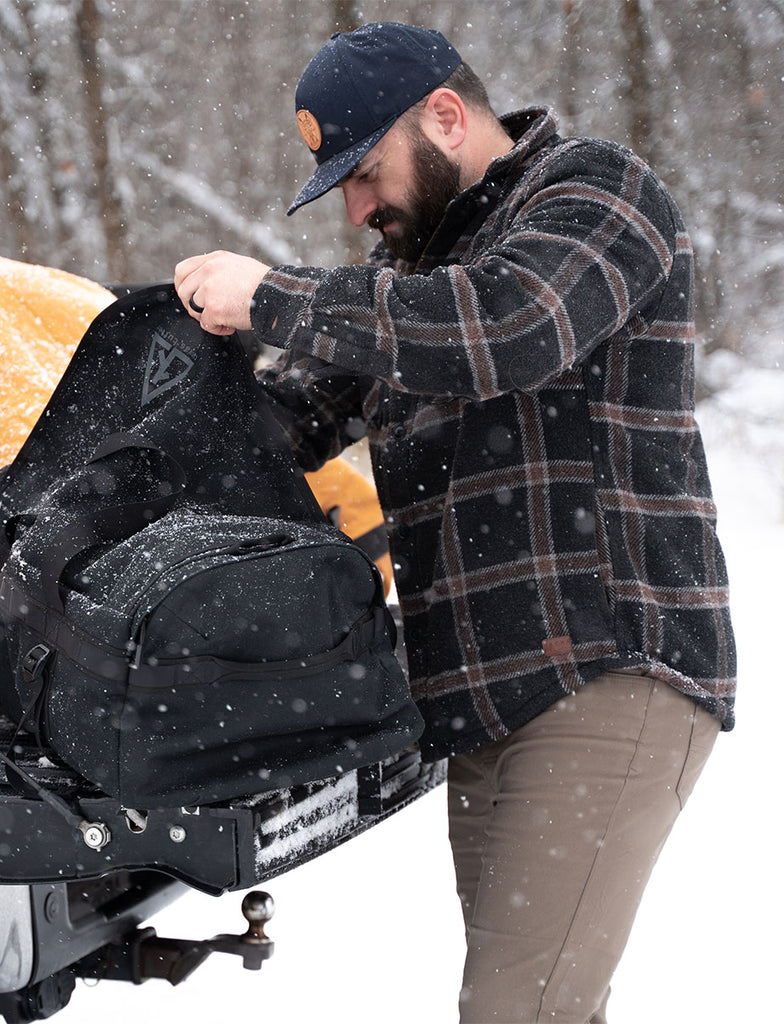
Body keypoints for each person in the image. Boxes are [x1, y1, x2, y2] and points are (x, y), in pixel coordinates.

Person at [174, 22, 736, 1023]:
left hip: (608, 673)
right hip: (484, 703)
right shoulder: (412, 287)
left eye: (364, 172)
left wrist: (272, 294)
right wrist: (153, 415)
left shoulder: (595, 193)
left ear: (444, 115)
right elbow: (284, 420)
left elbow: (505, 326)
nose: (355, 208)